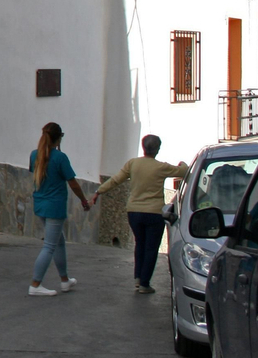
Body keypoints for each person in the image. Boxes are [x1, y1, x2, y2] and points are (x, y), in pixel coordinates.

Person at [95, 134, 189, 294]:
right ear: (158, 149)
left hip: (134, 212)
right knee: (151, 248)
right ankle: (145, 283)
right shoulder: (161, 167)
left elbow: (116, 179)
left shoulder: (133, 164)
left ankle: (138, 278)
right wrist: (183, 163)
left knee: (140, 243)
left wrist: (99, 191)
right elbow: (183, 171)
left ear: (143, 147)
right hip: (154, 213)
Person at [28, 122, 90, 297]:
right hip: (55, 206)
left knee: (58, 241)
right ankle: (35, 284)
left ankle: (65, 280)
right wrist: (84, 200)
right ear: (58, 138)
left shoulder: (34, 155)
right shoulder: (60, 158)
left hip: (40, 203)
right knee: (49, 245)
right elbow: (72, 182)